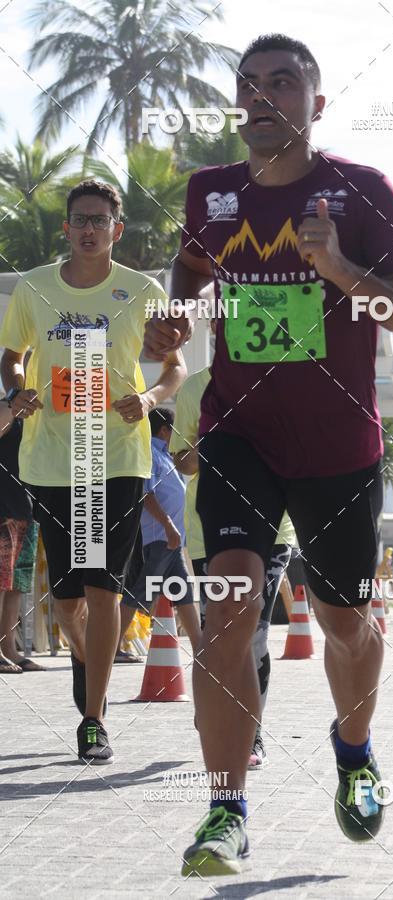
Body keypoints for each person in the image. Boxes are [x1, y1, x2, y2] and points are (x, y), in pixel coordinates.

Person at [144, 33, 393, 875]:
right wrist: (176, 315)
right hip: (241, 432)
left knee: (345, 625)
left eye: (284, 83)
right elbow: (190, 269)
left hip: (340, 447)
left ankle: (354, 750)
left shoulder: (361, 191)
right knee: (232, 604)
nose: (264, 96)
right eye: (250, 85)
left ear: (317, 101)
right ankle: (224, 811)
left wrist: (339, 267)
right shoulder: (212, 193)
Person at [0, 180, 186, 764]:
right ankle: (90, 661)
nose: (88, 228)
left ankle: (94, 719)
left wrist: (151, 399)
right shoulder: (34, 288)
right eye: (79, 219)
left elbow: (173, 365)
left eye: (99, 220)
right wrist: (20, 386)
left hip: (118, 457)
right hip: (54, 457)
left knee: (104, 589)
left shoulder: (141, 289)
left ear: (116, 229)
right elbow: (11, 354)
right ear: (66, 228)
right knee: (66, 602)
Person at [170, 364, 295, 769]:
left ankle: (250, 731)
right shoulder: (195, 387)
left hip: (273, 530)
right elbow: (183, 462)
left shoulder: (285, 378)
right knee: (217, 632)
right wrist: (220, 443)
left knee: (254, 631)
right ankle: (213, 709)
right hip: (211, 530)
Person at [119, 406, 202, 656]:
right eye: (175, 430)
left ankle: (201, 647)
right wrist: (168, 526)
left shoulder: (166, 455)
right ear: (165, 430)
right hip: (161, 537)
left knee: (184, 589)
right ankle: (110, 646)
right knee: (140, 593)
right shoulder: (151, 454)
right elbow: (147, 495)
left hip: (171, 539)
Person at [0, 401, 43, 672]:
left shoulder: (38, 416)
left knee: (17, 584)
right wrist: (11, 403)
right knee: (1, 581)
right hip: (3, 507)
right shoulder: (6, 407)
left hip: (25, 508)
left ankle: (9, 648)